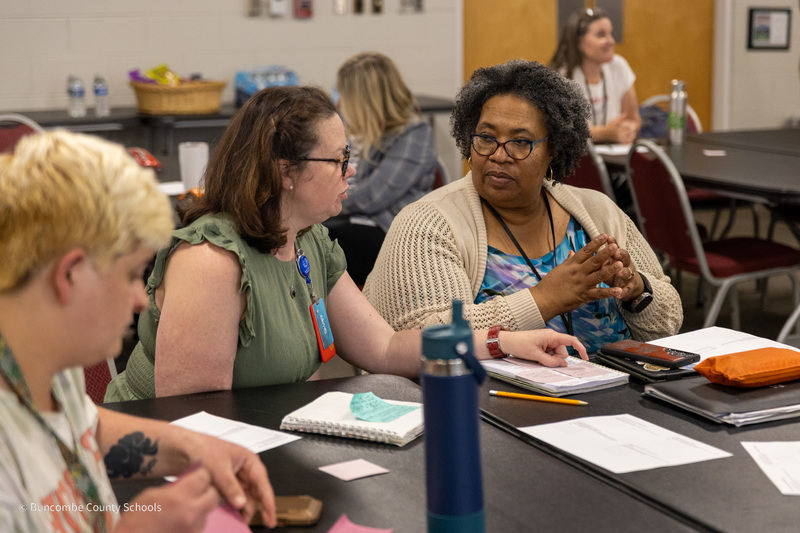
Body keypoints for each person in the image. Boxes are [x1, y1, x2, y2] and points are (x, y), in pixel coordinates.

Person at [105, 85, 587, 402]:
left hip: (263, 447)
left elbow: (383, 347)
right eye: (338, 159)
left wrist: (503, 342)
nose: (350, 170)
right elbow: (195, 416)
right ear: (285, 171)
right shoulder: (212, 261)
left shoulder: (309, 241)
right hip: (159, 472)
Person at [0, 131, 276, 531]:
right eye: (132, 275)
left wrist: (193, 448)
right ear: (70, 275)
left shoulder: (45, 362)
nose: (140, 299)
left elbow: (84, 427)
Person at [362, 60, 683, 354]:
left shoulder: (596, 211)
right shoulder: (427, 224)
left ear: (554, 150)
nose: (498, 155)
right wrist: (543, 299)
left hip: (615, 401)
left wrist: (637, 290)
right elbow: (420, 339)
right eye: (486, 138)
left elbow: (669, 324)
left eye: (520, 142)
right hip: (493, 409)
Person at [324, 52, 437, 285]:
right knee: (304, 234)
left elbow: (373, 196)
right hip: (351, 219)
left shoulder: (414, 134)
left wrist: (322, 204)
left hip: (391, 234)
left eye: (343, 95)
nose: (338, 104)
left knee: (320, 240)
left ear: (365, 98)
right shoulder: (354, 132)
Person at [549, 7, 641, 145]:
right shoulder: (561, 76)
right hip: (577, 161)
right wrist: (606, 133)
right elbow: (561, 132)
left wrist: (628, 130)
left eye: (610, 34)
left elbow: (634, 119)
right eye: (601, 35)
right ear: (578, 42)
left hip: (617, 156)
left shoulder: (619, 66)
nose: (611, 41)